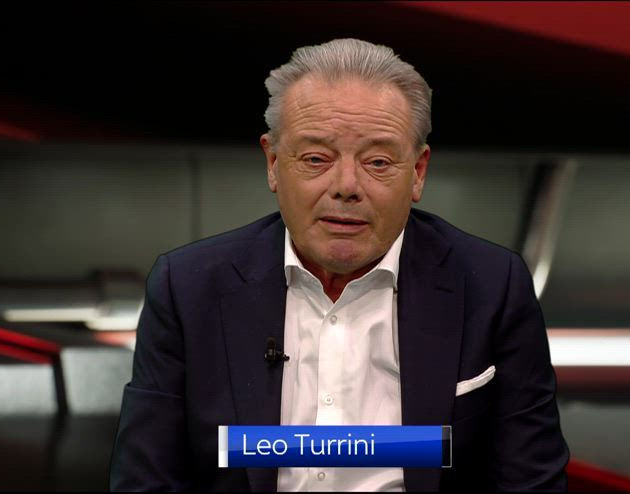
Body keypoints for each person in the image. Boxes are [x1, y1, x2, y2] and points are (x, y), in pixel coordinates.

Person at [110, 38, 569, 492]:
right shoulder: (188, 288)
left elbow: (531, 483)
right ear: (273, 163)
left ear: (418, 172)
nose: (346, 185)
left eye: (378, 161)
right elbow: (145, 481)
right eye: (316, 159)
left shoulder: (492, 286)